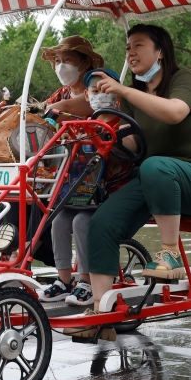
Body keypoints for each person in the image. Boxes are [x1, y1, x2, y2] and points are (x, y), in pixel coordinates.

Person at [84, 24, 191, 317]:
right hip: (154, 180)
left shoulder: (185, 78)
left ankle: (170, 252)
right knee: (101, 223)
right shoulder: (134, 95)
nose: (130, 53)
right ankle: (100, 314)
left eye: (138, 45)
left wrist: (124, 91)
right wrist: (102, 134)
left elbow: (174, 112)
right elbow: (132, 144)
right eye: (127, 48)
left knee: (154, 166)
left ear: (159, 51)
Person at [42, 67, 122, 305]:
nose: (99, 96)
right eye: (94, 91)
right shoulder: (86, 122)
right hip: (80, 190)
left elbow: (124, 146)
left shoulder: (119, 122)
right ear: (86, 96)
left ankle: (86, 280)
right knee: (57, 220)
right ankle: (64, 280)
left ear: (116, 97)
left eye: (104, 91)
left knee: (80, 222)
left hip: (106, 191)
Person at [42, 36, 104, 120]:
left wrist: (38, 115)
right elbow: (43, 107)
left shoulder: (98, 90)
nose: (61, 66)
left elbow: (66, 108)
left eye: (67, 59)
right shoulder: (62, 93)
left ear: (86, 63)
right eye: (57, 61)